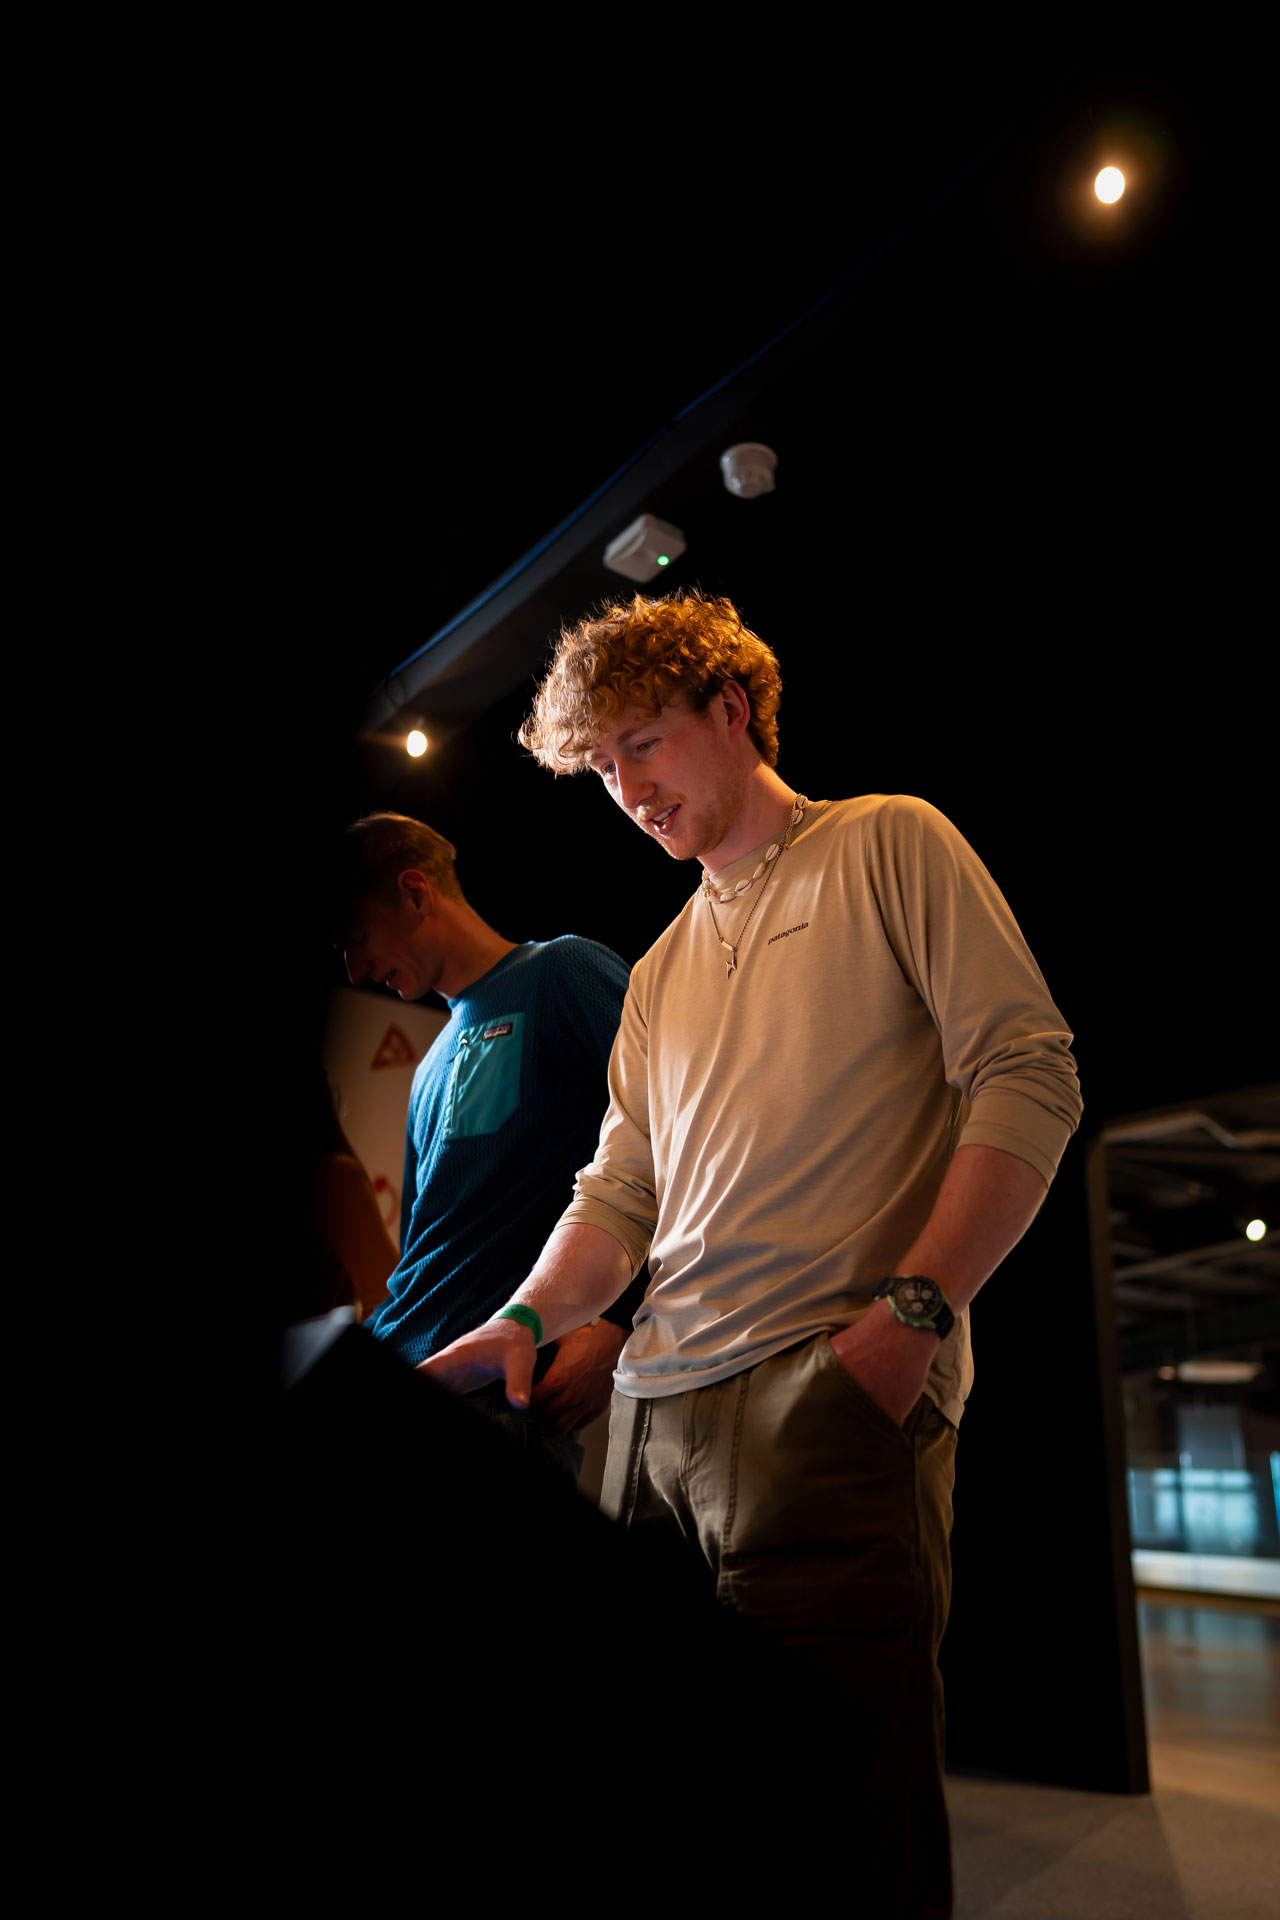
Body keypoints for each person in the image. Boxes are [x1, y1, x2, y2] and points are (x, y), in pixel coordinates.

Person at [420, 593, 1082, 1915]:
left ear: (732, 708)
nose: (628, 789)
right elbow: (617, 1197)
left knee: (847, 1834)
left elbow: (1027, 1075)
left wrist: (913, 1318)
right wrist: (525, 1322)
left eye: (644, 744)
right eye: (601, 769)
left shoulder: (888, 841)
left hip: (821, 1405)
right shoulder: (658, 971)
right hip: (650, 1430)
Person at [331, 812, 645, 1479]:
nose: (356, 969)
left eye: (356, 938)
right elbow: (423, 1246)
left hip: (492, 1395)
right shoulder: (426, 1069)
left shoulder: (564, 970)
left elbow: (677, 1135)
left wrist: (619, 1319)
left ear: (417, 894)